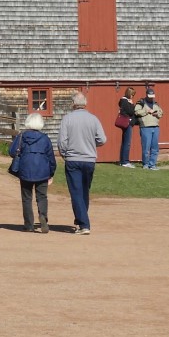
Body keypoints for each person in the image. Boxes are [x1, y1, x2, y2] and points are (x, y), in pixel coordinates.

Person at [56, 92, 107, 234]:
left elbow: (62, 141)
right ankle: (80, 220)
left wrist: (65, 153)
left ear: (73, 104)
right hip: (89, 159)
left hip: (73, 159)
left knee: (76, 192)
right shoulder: (93, 119)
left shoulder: (67, 119)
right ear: (85, 103)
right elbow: (102, 139)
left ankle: (84, 224)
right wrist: (91, 144)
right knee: (84, 191)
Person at [9, 112, 56, 233]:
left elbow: (12, 152)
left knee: (26, 198)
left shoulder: (21, 136)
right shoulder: (45, 139)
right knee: (42, 197)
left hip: (25, 170)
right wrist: (51, 173)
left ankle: (29, 224)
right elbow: (51, 158)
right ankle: (43, 216)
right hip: (42, 171)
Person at [134, 87, 163, 170]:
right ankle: (145, 164)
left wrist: (157, 114)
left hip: (155, 126)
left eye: (152, 97)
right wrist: (147, 111)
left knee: (155, 147)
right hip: (145, 127)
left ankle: (152, 164)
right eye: (150, 97)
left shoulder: (155, 103)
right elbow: (137, 112)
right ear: (146, 95)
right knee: (146, 147)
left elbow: (161, 112)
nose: (151, 98)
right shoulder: (141, 103)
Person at [116, 86, 139, 168]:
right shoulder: (125, 101)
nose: (133, 96)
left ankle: (122, 160)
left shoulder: (123, 101)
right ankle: (125, 161)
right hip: (127, 123)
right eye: (132, 94)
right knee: (127, 143)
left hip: (126, 123)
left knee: (124, 142)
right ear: (129, 94)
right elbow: (130, 111)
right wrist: (132, 104)